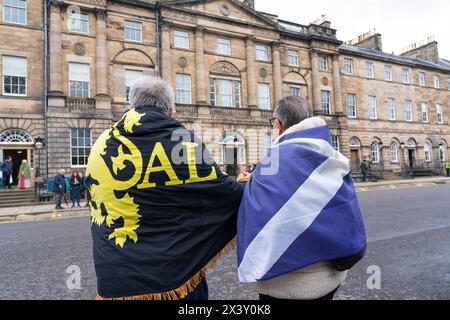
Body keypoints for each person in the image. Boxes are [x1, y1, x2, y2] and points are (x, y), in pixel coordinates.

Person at [86, 76, 244, 300]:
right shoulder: (183, 142)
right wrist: (247, 183)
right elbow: (222, 194)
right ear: (170, 110)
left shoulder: (102, 142)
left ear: (132, 105)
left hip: (116, 277)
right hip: (175, 276)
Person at [237, 96, 367, 301]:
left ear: (278, 125)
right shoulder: (331, 156)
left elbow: (260, 206)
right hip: (328, 280)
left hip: (285, 285)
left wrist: (249, 182)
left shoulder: (274, 159)